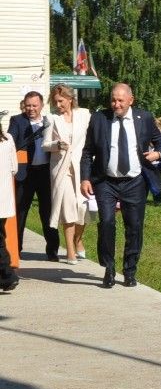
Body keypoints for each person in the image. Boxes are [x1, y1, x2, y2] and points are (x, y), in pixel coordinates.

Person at [80, 83, 161, 288]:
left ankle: (129, 271)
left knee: (134, 227)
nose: (116, 104)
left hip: (134, 181)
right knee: (107, 222)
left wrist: (158, 153)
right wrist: (85, 178)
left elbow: (160, 141)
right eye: (113, 100)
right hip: (106, 181)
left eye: (120, 100)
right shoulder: (100, 118)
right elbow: (86, 151)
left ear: (130, 100)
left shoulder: (143, 118)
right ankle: (109, 269)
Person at [44, 84, 92, 264]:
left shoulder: (85, 115)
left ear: (70, 99)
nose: (58, 105)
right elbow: (45, 144)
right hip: (61, 169)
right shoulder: (51, 118)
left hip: (81, 167)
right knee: (68, 209)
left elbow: (91, 139)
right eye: (55, 102)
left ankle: (77, 239)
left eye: (61, 101)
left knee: (83, 207)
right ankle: (70, 250)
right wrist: (56, 145)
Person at [8, 91, 58, 261]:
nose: (31, 109)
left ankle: (52, 250)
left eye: (34, 105)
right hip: (25, 175)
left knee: (48, 213)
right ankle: (16, 249)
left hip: (45, 173)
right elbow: (11, 141)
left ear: (41, 106)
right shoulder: (17, 121)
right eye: (28, 105)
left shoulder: (49, 122)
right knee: (21, 212)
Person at [1, 114, 18, 291]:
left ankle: (7, 275)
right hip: (4, 201)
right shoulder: (8, 139)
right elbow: (14, 168)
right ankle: (6, 276)